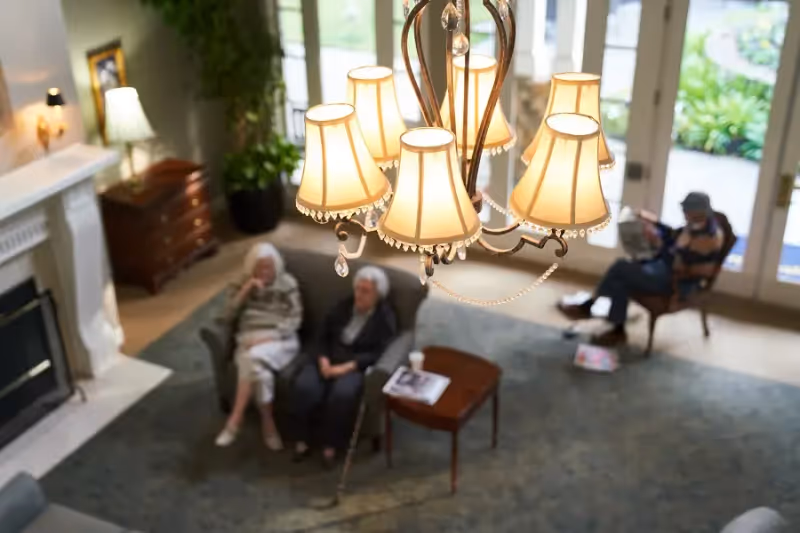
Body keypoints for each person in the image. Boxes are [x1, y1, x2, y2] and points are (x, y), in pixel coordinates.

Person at [559, 192, 725, 346]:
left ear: (698, 212)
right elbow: (674, 237)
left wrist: (658, 243)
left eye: (686, 210)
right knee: (621, 279)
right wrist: (653, 224)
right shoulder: (697, 226)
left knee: (621, 267)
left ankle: (590, 307)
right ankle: (616, 330)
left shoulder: (706, 238)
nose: (683, 213)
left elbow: (681, 263)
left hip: (676, 283)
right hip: (664, 271)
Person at [290, 266, 397, 468]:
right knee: (305, 386)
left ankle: (331, 445)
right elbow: (322, 334)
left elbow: (378, 352)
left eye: (366, 291)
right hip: (329, 355)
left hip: (355, 364)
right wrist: (323, 360)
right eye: (358, 289)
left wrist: (347, 367)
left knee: (342, 395)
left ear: (378, 295)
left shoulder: (385, 317)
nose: (359, 295)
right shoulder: (344, 305)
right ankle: (303, 439)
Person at [215, 243, 303, 450]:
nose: (265, 272)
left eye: (268, 267)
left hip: (281, 341)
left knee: (250, 357)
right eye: (260, 268)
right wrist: (245, 291)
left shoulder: (287, 283)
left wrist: (267, 338)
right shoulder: (241, 284)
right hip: (249, 339)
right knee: (260, 375)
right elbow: (224, 317)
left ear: (276, 266)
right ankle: (268, 424)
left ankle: (235, 420)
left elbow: (295, 320)